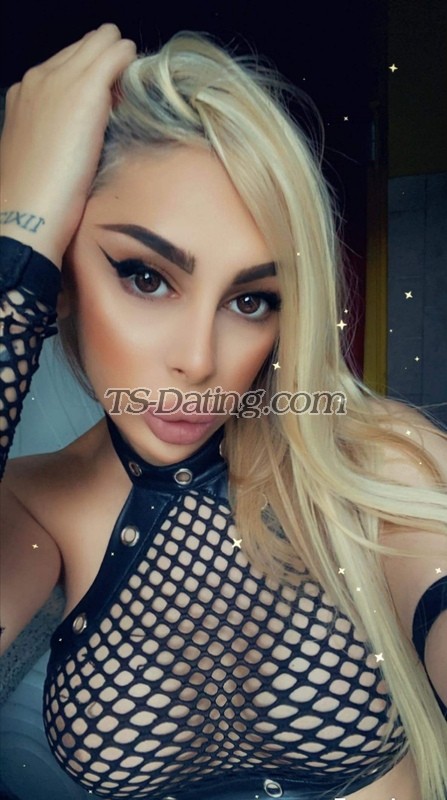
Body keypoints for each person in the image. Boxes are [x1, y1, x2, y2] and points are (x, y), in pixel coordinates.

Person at [0, 22, 446, 800]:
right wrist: (18, 237)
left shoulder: (374, 462)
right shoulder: (34, 507)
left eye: (251, 299)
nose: (199, 361)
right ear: (60, 276)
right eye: (145, 277)